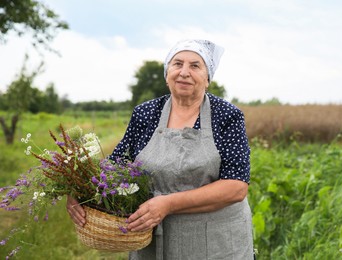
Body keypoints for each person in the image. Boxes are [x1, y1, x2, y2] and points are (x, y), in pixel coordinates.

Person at [67, 39, 254, 259]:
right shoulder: (146, 113)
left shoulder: (226, 116)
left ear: (207, 77)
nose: (184, 72)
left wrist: (168, 204)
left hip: (215, 242)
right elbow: (116, 164)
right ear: (167, 74)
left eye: (195, 66)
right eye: (177, 64)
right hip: (152, 241)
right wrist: (79, 192)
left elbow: (236, 187)